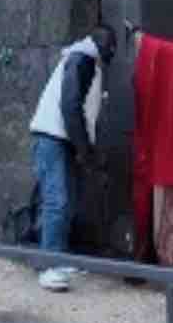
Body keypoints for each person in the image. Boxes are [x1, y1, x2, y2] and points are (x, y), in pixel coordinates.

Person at [27, 25, 116, 292]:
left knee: (65, 201)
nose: (112, 50)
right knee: (58, 200)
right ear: (101, 45)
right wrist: (85, 150)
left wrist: (82, 147)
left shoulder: (84, 60)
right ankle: (48, 266)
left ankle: (56, 257)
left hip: (59, 138)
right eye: (110, 46)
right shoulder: (82, 60)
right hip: (53, 137)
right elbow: (70, 105)